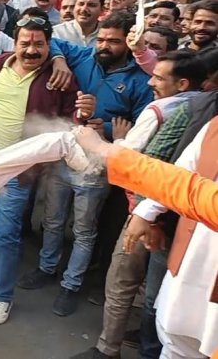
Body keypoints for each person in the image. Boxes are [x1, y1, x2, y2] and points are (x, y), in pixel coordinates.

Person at [72, 48, 209, 359]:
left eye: (159, 78)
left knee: (121, 283)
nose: (151, 83)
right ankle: (150, 349)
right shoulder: (206, 110)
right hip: (181, 221)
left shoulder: (163, 110)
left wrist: (109, 145)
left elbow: (145, 162)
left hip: (151, 212)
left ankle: (108, 350)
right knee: (157, 293)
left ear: (184, 83)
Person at [0, 13, 82, 326]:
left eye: (39, 44)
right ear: (15, 42)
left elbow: (69, 122)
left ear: (49, 45)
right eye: (26, 43)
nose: (32, 50)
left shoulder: (60, 76)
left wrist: (83, 116)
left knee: (6, 234)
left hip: (18, 171)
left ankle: (2, 297)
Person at [24, 12, 153, 317]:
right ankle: (47, 267)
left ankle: (71, 285)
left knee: (83, 230)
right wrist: (57, 60)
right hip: (63, 154)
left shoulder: (141, 79)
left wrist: (103, 129)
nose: (105, 46)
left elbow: (140, 127)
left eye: (114, 41)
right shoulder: (83, 55)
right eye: (102, 39)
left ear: (129, 44)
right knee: (53, 220)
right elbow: (49, 42)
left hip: (97, 167)